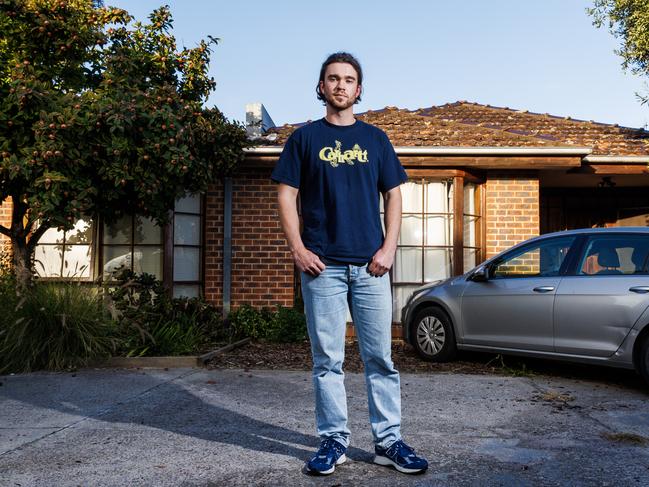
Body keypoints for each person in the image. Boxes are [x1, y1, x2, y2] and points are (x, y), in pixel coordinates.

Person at [271, 52, 428, 476]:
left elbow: (394, 194)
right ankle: (334, 440)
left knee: (380, 358)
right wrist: (298, 249)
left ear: (358, 90)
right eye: (333, 79)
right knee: (328, 360)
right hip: (321, 268)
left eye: (348, 80)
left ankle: (388, 441)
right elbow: (286, 195)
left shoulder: (376, 140)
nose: (340, 85)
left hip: (371, 267)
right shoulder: (303, 140)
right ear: (321, 87)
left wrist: (389, 249)